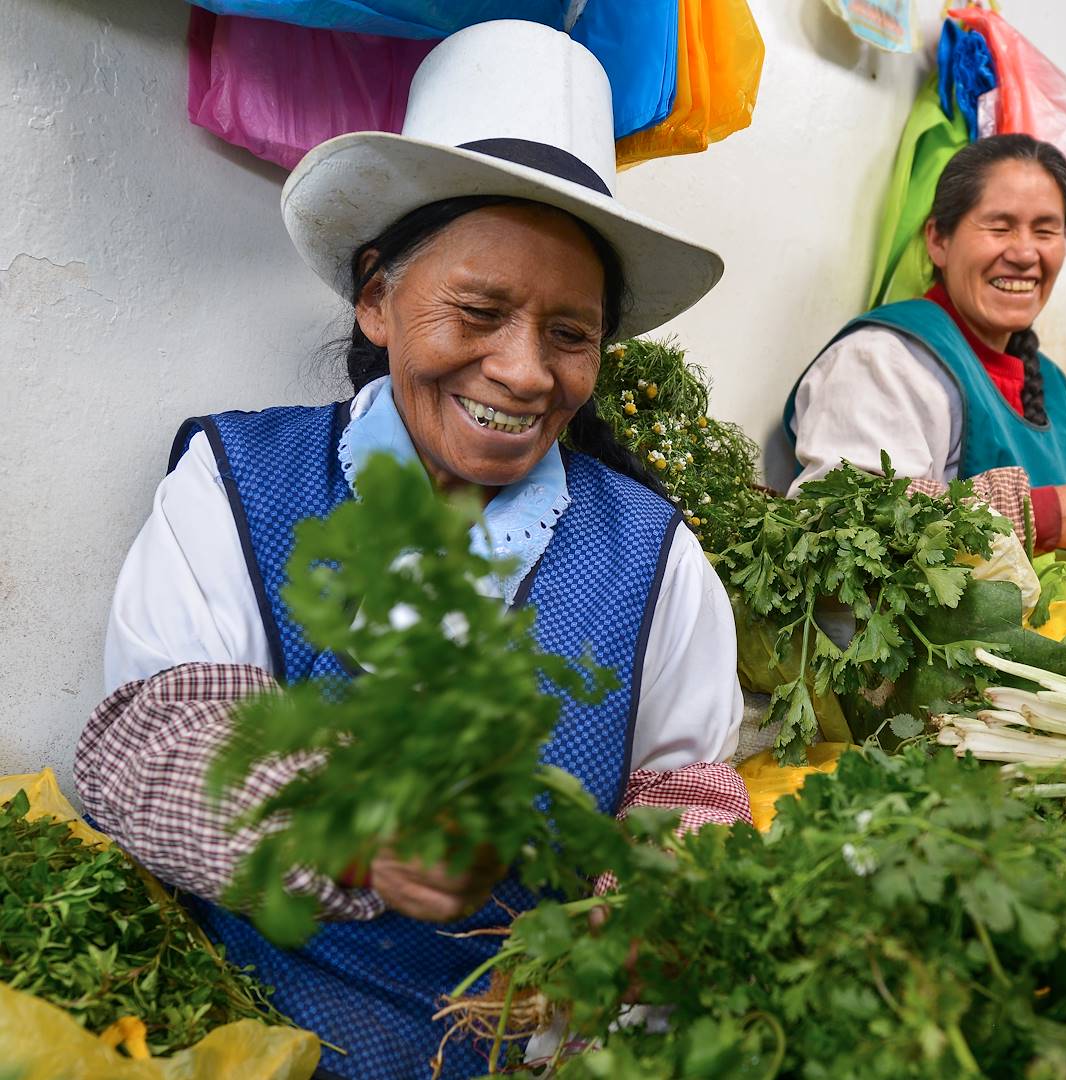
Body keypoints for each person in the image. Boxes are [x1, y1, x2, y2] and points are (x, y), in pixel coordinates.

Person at [74, 23, 747, 1080]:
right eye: (479, 311)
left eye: (570, 334)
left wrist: (648, 909)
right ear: (378, 298)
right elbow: (153, 746)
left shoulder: (652, 557)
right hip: (266, 1038)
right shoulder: (238, 486)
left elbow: (686, 795)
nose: (524, 372)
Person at [784, 134, 1066, 556]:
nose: (1025, 253)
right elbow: (841, 520)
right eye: (999, 227)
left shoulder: (1053, 387)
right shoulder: (883, 360)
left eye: (1046, 230)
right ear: (938, 240)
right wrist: (1045, 517)